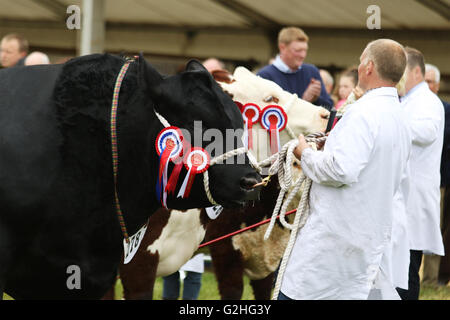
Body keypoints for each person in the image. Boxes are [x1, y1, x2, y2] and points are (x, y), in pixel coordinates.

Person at [279, 39, 410, 300]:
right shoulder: (398, 116)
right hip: (366, 235)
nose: (360, 66)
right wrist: (333, 145)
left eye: (362, 61)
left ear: (369, 66)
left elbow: (340, 170)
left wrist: (304, 153)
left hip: (335, 239)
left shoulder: (363, 113)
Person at [397, 48, 445, 300]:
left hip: (412, 198)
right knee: (397, 271)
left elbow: (427, 132)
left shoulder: (428, 101)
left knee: (406, 272)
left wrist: (389, 122)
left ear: (416, 71)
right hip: (402, 197)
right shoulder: (406, 100)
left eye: (401, 71)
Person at [420, 63, 450, 287]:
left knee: (434, 228)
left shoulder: (446, 110)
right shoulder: (409, 107)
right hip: (412, 179)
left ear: (438, 86)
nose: (427, 86)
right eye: (424, 81)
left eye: (431, 82)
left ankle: (430, 281)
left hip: (439, 180)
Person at [257, 27, 333, 110]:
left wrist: (316, 99)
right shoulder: (265, 76)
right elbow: (266, 112)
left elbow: (329, 109)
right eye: (298, 50)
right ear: (282, 48)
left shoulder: (312, 72)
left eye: (305, 50)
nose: (303, 55)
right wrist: (304, 101)